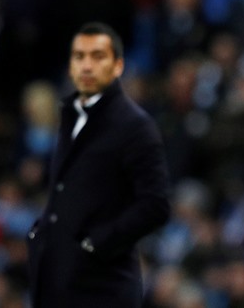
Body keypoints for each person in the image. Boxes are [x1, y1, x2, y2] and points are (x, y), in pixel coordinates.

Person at [26, 22, 171, 307]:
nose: (87, 66)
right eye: (79, 57)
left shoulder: (135, 126)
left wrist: (97, 243)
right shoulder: (71, 118)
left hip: (104, 285)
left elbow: (155, 205)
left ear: (117, 66)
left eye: (97, 56)